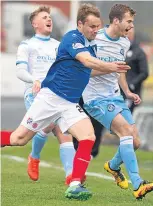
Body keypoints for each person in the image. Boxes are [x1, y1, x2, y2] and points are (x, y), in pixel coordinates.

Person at [1, 3, 130, 201]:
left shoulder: (91, 44)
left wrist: (113, 68)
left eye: (98, 26)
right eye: (92, 26)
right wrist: (109, 65)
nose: (96, 30)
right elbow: (87, 61)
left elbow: (90, 70)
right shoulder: (72, 37)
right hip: (50, 98)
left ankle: (75, 184)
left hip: (69, 103)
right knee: (19, 139)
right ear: (80, 24)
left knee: (88, 137)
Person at [81, 4, 153, 199]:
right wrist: (109, 68)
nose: (131, 26)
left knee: (135, 141)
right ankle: (138, 184)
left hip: (115, 96)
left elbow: (119, 70)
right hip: (95, 99)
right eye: (129, 22)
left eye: (132, 22)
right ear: (116, 21)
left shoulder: (124, 43)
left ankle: (112, 166)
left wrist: (127, 92)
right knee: (125, 132)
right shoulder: (95, 39)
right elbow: (85, 72)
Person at [16, 6, 75, 185]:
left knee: (65, 132)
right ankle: (34, 157)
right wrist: (34, 80)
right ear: (35, 24)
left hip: (57, 94)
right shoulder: (27, 45)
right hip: (35, 94)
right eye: (44, 17)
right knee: (48, 124)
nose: (49, 19)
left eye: (49, 17)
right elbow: (20, 71)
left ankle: (72, 177)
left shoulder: (58, 46)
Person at [123, 28, 149, 113]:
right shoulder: (119, 49)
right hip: (118, 91)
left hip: (132, 92)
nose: (127, 33)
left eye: (129, 30)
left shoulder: (139, 52)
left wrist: (132, 84)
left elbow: (144, 72)